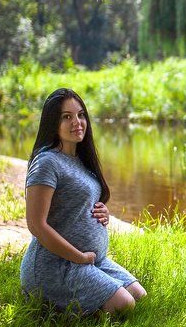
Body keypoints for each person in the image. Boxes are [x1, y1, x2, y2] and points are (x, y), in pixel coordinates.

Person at [21, 88, 146, 315]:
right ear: (53, 123)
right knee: (125, 305)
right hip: (56, 265)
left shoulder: (79, 160)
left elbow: (78, 201)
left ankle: (88, 300)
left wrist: (102, 212)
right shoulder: (47, 163)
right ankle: (56, 309)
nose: (77, 122)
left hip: (90, 261)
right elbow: (36, 225)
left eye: (80, 115)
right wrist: (78, 257)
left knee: (139, 294)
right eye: (66, 117)